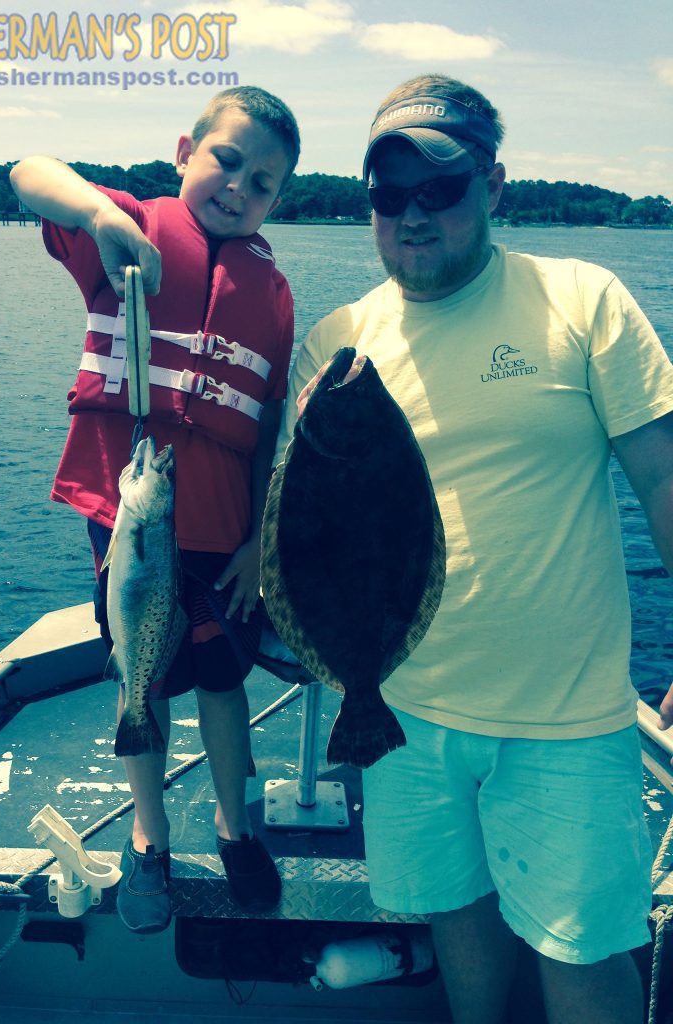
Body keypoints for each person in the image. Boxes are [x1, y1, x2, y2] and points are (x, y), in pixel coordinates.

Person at [277, 73, 673, 1023]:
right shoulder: (339, 346)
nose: (412, 215)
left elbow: (663, 480)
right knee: (461, 932)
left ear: (494, 187)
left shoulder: (583, 299)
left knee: (581, 955)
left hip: (566, 719)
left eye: (439, 190)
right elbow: (298, 538)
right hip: (401, 717)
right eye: (388, 195)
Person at [10, 85, 300, 934]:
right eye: (227, 161)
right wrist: (99, 214)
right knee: (144, 673)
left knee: (221, 680)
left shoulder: (272, 295)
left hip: (221, 534)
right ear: (185, 151)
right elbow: (28, 171)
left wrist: (257, 540)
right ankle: (150, 832)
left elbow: (269, 422)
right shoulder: (127, 230)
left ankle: (233, 828)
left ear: (280, 199)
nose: (241, 187)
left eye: (266, 182)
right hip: (129, 518)